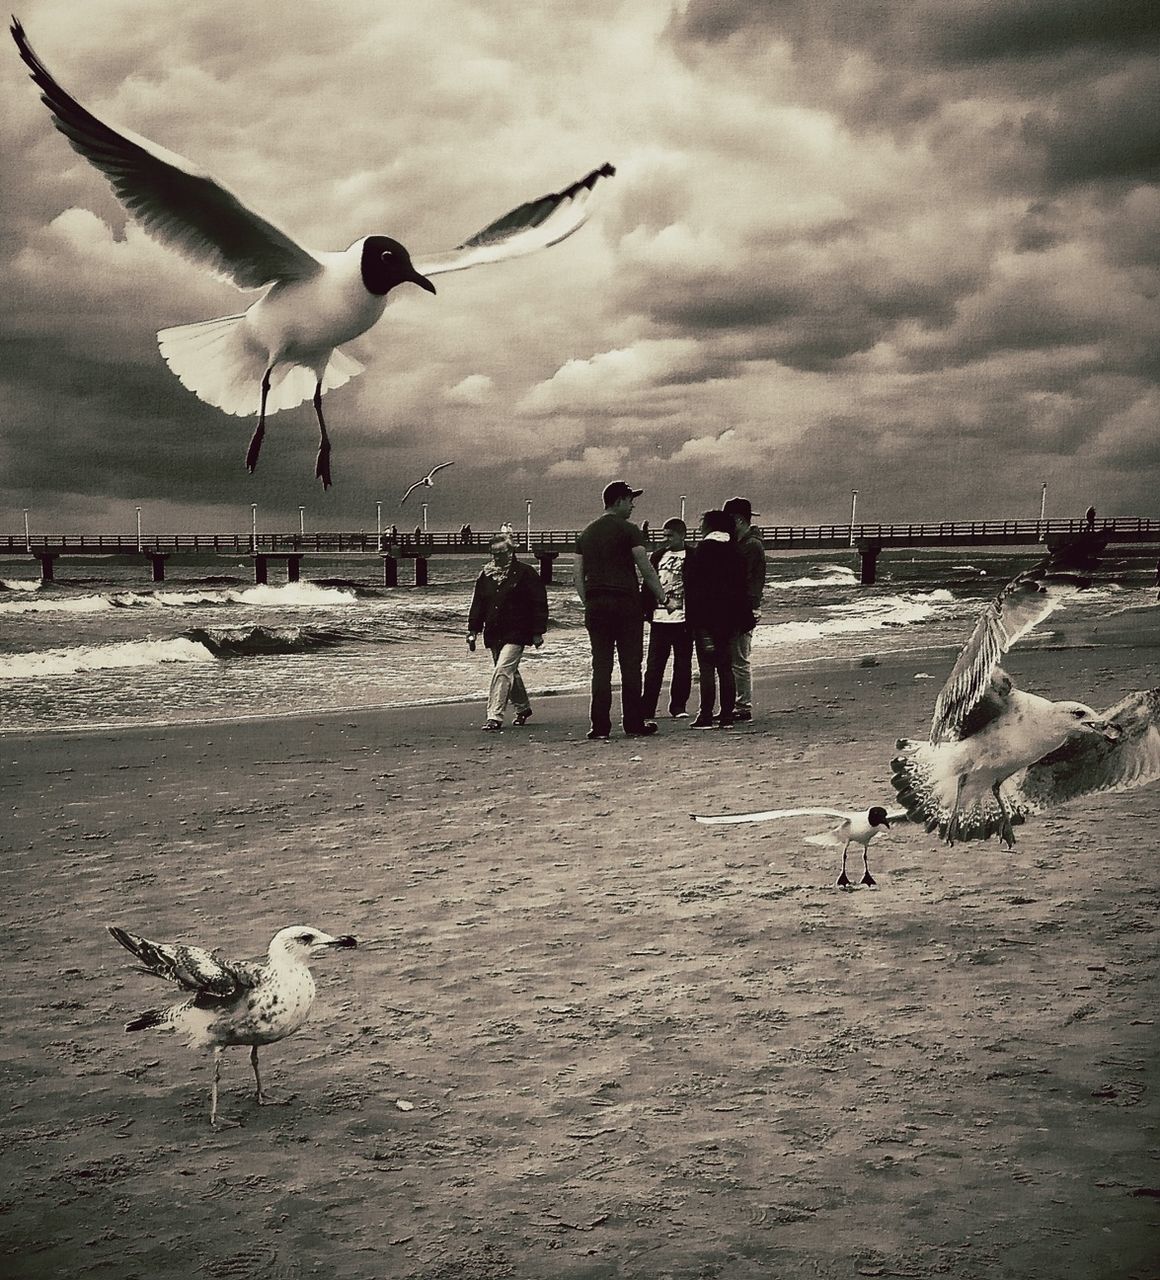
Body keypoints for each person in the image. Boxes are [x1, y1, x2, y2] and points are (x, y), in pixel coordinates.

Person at [574, 480, 668, 739]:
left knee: (601, 666)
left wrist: (589, 602)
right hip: (626, 604)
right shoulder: (630, 530)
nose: (633, 505)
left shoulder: (586, 533)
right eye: (629, 500)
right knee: (630, 665)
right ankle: (633, 723)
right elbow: (645, 568)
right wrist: (663, 598)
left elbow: (577, 577)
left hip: (596, 605)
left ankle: (600, 726)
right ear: (617, 501)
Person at [467, 533, 548, 731]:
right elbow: (478, 604)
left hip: (518, 631)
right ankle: (523, 708)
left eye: (502, 553)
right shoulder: (486, 575)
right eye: (494, 554)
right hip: (494, 632)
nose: (497, 558)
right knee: (510, 672)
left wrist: (538, 631)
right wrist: (472, 631)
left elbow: (539, 603)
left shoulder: (525, 573)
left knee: (502, 670)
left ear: (511, 551)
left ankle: (494, 716)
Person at [685, 509, 755, 728]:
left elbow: (692, 589)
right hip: (731, 618)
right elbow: (743, 589)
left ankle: (706, 715)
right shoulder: (737, 552)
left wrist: (692, 621)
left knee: (707, 667)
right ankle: (726, 716)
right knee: (726, 666)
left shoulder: (699, 553)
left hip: (706, 618)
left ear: (709, 527)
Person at [641, 518, 693, 720]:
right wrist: (646, 610)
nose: (666, 539)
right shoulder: (658, 556)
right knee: (654, 665)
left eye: (670, 535)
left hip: (683, 619)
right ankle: (648, 707)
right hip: (659, 618)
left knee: (682, 664)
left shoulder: (692, 556)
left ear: (682, 535)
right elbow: (648, 582)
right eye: (664, 535)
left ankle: (678, 706)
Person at [722, 496, 766, 722]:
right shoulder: (748, 543)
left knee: (739, 658)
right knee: (737, 657)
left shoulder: (750, 545)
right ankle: (739, 703)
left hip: (744, 607)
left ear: (737, 520)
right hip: (744, 606)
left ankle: (743, 705)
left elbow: (747, 580)